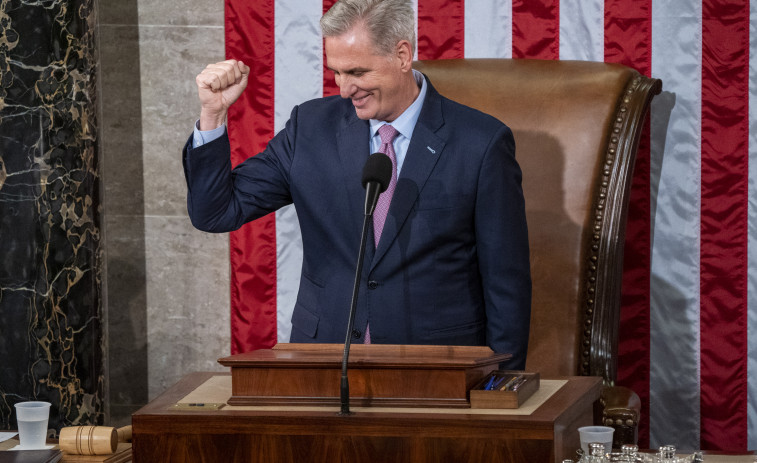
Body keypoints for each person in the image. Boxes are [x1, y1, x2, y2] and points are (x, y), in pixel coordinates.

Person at [183, 0, 531, 369]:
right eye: (336, 72)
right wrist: (214, 113)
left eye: (357, 72)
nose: (345, 88)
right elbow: (215, 212)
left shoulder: (480, 142)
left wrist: (500, 388)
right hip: (324, 360)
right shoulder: (310, 128)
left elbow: (506, 283)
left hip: (435, 366)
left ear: (402, 55)